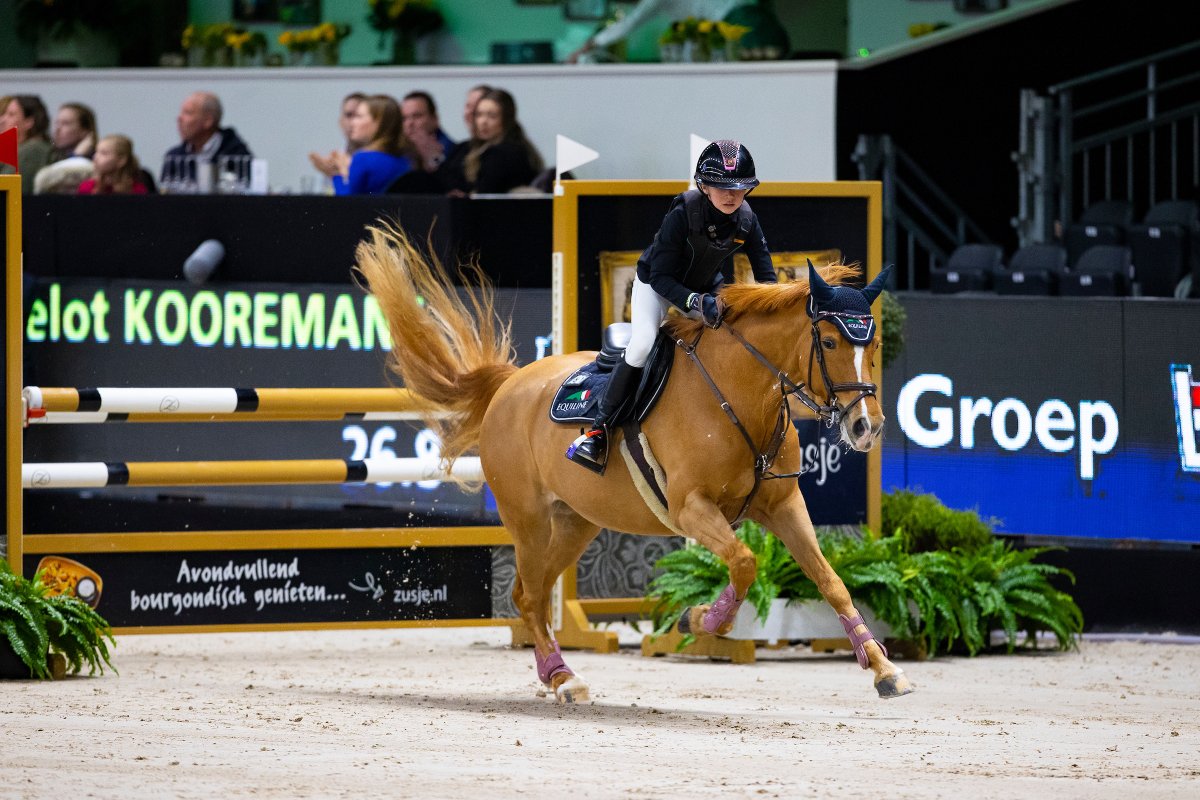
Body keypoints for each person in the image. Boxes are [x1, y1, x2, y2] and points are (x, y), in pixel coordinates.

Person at [567, 139, 776, 472]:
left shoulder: (748, 221)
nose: (731, 195)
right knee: (642, 344)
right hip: (656, 286)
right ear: (704, 186)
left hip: (704, 288)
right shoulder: (682, 213)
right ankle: (597, 430)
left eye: (739, 187)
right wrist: (696, 301)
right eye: (721, 186)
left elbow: (767, 279)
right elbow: (661, 277)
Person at [566, 0, 753, 63]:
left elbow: (630, 23)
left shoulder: (653, 1)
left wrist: (586, 47)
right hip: (730, 19)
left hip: (737, 16)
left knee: (749, 65)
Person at [437, 88, 542, 196]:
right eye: (479, 115)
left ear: (506, 119)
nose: (483, 122)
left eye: (492, 116)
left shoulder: (509, 153)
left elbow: (486, 190)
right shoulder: (464, 148)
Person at [313, 94, 412, 196]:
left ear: (378, 122)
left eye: (359, 117)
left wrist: (336, 175)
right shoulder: (407, 159)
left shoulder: (363, 158)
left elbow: (348, 201)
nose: (353, 123)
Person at [161, 91, 253, 187]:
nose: (179, 118)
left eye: (188, 113)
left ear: (208, 121)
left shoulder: (238, 157)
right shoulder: (174, 157)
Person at [387, 90, 456, 193]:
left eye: (417, 116)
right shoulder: (396, 151)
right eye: (404, 118)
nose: (409, 123)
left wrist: (435, 160)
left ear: (434, 119)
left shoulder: (453, 152)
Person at [33, 102, 99, 194]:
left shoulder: (97, 159)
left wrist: (77, 157)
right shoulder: (49, 154)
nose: (57, 129)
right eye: (57, 123)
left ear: (85, 131)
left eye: (65, 123)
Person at [308, 91, 365, 186]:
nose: (353, 122)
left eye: (359, 116)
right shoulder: (331, 163)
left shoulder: (377, 159)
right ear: (340, 122)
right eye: (349, 115)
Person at [0, 95, 54, 193]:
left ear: (29, 122)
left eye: (11, 115)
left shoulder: (33, 150)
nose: (2, 120)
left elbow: (7, 190)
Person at [78, 135, 149, 195]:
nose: (95, 157)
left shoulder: (138, 190)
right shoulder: (87, 188)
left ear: (121, 160)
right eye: (96, 152)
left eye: (104, 153)